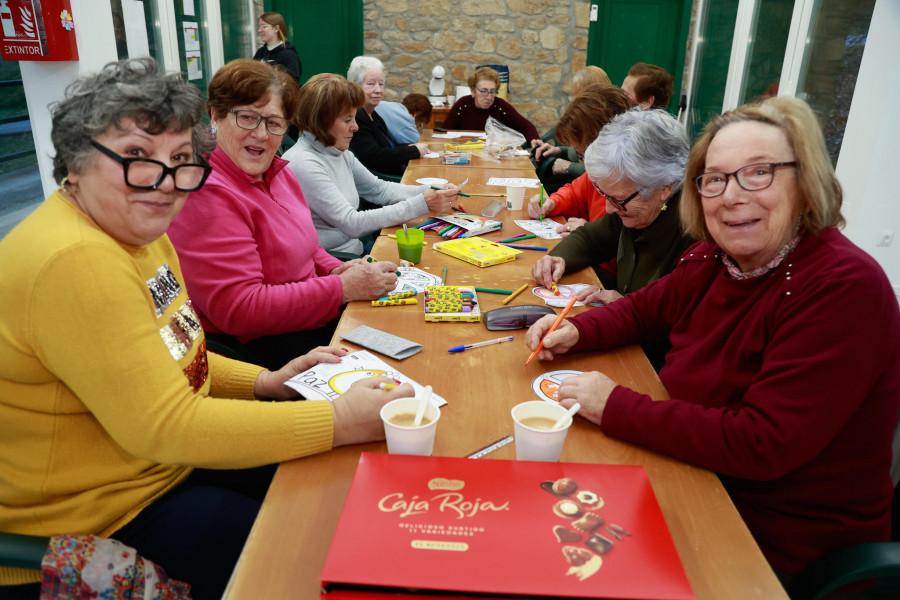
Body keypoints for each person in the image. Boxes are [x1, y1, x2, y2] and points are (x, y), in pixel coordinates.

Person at [0, 58, 414, 600]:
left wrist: (266, 383)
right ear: (74, 163)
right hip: (100, 513)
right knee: (309, 552)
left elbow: (177, 346)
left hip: (159, 473)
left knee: (336, 494)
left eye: (178, 161)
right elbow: (167, 427)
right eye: (135, 158)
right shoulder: (77, 259)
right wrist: (336, 420)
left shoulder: (138, 232)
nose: (164, 183)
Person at [525, 96, 900, 585]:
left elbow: (762, 443)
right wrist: (575, 329)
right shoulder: (714, 257)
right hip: (695, 474)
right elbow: (643, 310)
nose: (732, 195)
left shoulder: (842, 287)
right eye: (715, 179)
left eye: (759, 173)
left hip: (769, 536)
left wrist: (614, 404)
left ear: (806, 182)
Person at [168, 59, 398, 370]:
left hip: (310, 320)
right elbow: (240, 309)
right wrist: (341, 288)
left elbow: (306, 244)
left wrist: (336, 269)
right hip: (265, 352)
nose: (261, 134)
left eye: (274, 123)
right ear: (215, 116)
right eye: (248, 117)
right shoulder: (206, 190)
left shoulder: (277, 172)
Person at [531, 108, 694, 306]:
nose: (609, 209)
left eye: (618, 199)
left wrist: (627, 307)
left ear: (664, 188)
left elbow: (679, 317)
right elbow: (591, 238)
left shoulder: (694, 237)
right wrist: (558, 258)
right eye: (605, 195)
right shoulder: (639, 207)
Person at [284, 74, 459, 256]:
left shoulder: (337, 151)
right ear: (321, 121)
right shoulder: (304, 163)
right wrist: (423, 202)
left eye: (354, 119)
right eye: (347, 120)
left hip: (354, 252)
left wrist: (432, 190)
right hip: (336, 263)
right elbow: (352, 223)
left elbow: (378, 189)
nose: (355, 127)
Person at [529, 83, 635, 228]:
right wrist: (552, 203)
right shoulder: (600, 171)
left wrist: (588, 232)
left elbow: (620, 240)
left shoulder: (634, 183)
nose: (582, 162)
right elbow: (575, 193)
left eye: (582, 155)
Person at [347, 56, 429, 177]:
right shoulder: (355, 117)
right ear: (355, 87)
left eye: (381, 84)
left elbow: (387, 146)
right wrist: (414, 151)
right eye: (371, 84)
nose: (378, 90)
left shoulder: (372, 114)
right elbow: (375, 156)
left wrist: (410, 146)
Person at [442, 66, 541, 146]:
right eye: (484, 91)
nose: (489, 97)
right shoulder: (462, 105)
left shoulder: (500, 106)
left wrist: (534, 140)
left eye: (492, 92)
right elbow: (444, 132)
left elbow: (525, 125)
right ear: (473, 91)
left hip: (493, 155)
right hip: (465, 155)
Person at [253, 11, 301, 83]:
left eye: (264, 26)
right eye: (259, 27)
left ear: (276, 28)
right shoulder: (260, 52)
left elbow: (292, 84)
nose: (259, 30)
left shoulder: (289, 55)